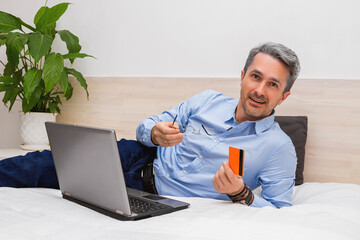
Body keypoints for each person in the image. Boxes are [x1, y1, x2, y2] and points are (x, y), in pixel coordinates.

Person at [0, 42, 300, 208]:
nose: (260, 90)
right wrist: (154, 133)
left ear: (283, 96)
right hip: (140, 157)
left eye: (272, 84)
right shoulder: (208, 100)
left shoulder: (278, 148)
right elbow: (150, 124)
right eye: (256, 77)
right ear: (242, 76)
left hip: (160, 197)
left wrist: (241, 194)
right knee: (41, 164)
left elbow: (279, 212)